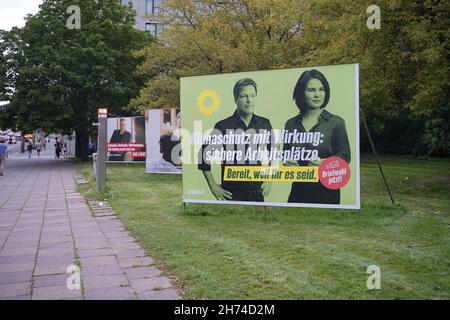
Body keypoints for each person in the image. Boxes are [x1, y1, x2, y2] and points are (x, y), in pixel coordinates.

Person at [198, 78, 273, 202]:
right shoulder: (223, 126)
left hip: (257, 194)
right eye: (244, 96)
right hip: (231, 194)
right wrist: (213, 186)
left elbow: (274, 153)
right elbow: (203, 156)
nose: (249, 100)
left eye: (252, 96)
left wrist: (269, 180)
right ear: (236, 99)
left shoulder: (264, 124)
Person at [283, 69, 351, 204]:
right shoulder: (290, 124)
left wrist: (325, 164)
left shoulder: (336, 122)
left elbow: (345, 157)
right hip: (298, 193)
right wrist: (287, 162)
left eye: (321, 89)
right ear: (301, 93)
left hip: (327, 193)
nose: (317, 95)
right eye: (311, 90)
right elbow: (286, 154)